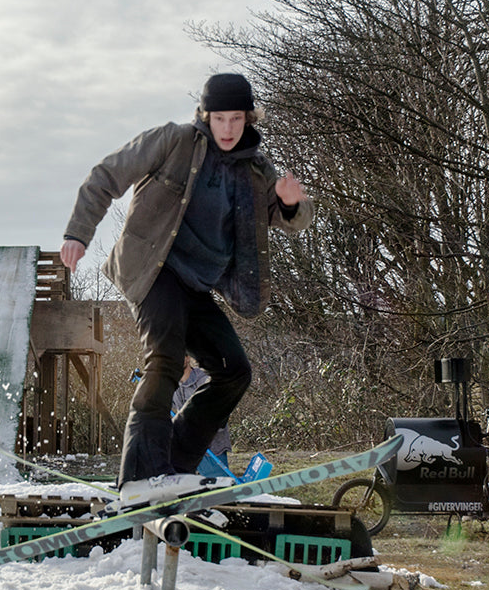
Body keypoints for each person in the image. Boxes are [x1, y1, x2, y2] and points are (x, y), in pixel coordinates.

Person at [60, 73, 314, 510]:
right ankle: (140, 476)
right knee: (165, 359)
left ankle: (174, 466)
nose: (229, 129)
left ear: (249, 118)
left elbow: (292, 217)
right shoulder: (173, 142)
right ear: (206, 116)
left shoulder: (257, 170)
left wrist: (292, 203)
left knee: (234, 370)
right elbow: (106, 175)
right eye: (220, 119)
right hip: (153, 271)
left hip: (196, 286)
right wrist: (78, 233)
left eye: (237, 119)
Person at [172, 356, 231, 467]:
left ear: (187, 358)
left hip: (212, 449)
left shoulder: (205, 380)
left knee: (219, 483)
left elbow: (220, 411)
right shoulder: (175, 386)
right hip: (189, 450)